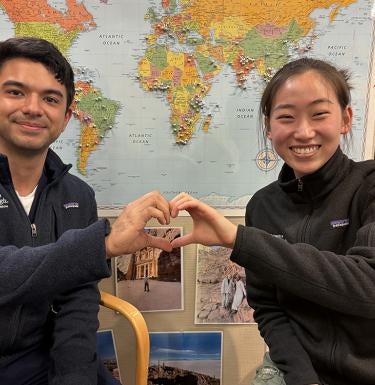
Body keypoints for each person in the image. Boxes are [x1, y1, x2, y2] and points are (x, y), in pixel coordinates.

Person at [170, 58, 375, 385]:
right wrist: (303, 378)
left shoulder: (368, 185)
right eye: (286, 117)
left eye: (319, 114)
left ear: (345, 118)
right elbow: (267, 307)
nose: (304, 131)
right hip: (294, 369)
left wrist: (242, 241)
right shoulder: (262, 206)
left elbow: (369, 287)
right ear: (269, 126)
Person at [0, 36, 172, 385]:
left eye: (50, 99)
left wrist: (74, 377)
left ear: (65, 119)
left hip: (42, 358)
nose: (33, 108)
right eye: (16, 92)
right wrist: (102, 244)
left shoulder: (77, 195)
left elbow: (78, 304)